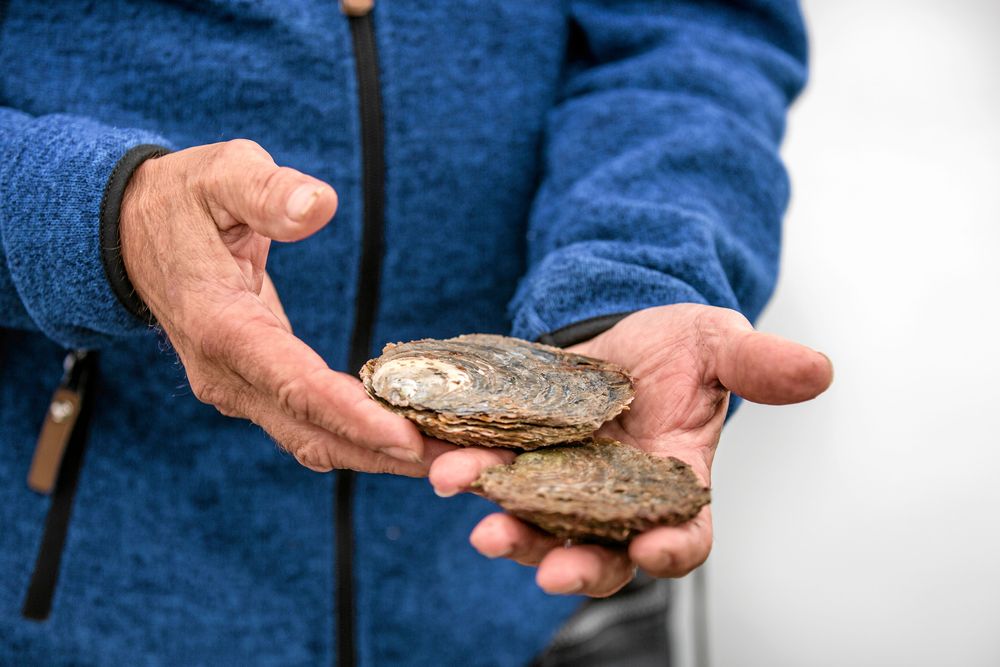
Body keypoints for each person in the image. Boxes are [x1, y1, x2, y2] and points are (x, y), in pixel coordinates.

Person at [0, 0, 831, 664]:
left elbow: (692, 32)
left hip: (546, 609)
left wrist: (629, 281)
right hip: (87, 596)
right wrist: (99, 219)